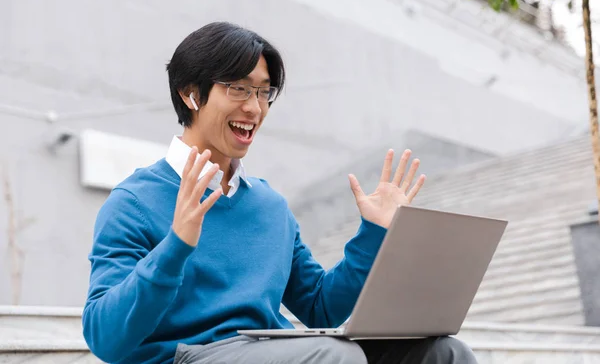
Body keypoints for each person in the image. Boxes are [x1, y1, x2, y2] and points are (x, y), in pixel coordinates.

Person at [82, 22, 478, 364]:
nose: (254, 108)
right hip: (186, 356)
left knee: (444, 354)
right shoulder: (133, 202)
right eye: (238, 89)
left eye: (264, 93)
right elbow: (106, 340)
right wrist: (176, 246)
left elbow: (320, 308)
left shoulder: (268, 205)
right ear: (190, 93)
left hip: (272, 351)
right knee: (335, 357)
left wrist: (373, 233)